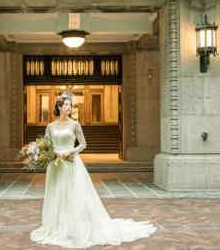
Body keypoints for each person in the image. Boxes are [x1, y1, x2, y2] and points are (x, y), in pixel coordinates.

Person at [30, 92, 156, 248]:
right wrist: (53, 154)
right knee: (56, 194)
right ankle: (57, 227)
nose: (70, 107)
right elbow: (47, 145)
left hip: (71, 162)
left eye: (70, 104)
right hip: (56, 165)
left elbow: (83, 144)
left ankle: (76, 228)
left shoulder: (75, 125)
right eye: (67, 105)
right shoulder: (50, 126)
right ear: (59, 107)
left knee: (74, 195)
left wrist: (70, 152)